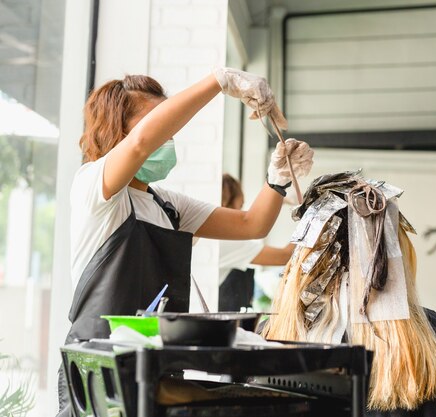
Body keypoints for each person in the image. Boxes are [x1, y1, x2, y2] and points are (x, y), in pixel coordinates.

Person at [58, 68, 313, 416]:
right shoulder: (95, 188)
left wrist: (278, 180)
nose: (169, 135)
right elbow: (139, 144)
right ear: (117, 130)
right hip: (99, 372)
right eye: (158, 122)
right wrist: (218, 82)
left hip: (156, 370)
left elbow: (251, 224)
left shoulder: (168, 206)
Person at [218, 173, 295, 311]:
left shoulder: (213, 236)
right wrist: (311, 219)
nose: (241, 213)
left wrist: (280, 201)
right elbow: (285, 256)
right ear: (226, 203)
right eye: (239, 207)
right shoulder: (225, 242)